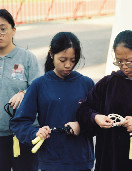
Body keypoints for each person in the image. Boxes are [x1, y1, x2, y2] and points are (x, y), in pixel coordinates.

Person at [76, 30, 132, 171]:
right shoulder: (108, 83)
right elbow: (84, 109)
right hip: (108, 160)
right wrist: (96, 117)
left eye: (129, 61)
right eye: (119, 61)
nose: (124, 66)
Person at [10, 32, 95, 171]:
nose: (68, 65)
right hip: (51, 162)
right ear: (51, 54)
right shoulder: (39, 85)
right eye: (62, 60)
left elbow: (100, 119)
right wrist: (35, 132)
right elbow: (19, 123)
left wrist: (82, 126)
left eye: (73, 60)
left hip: (81, 161)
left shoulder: (86, 84)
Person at [0, 9, 40, 171]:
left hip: (23, 134)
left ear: (13, 30)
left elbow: (38, 89)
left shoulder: (27, 58)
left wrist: (24, 93)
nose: (0, 33)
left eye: (3, 29)